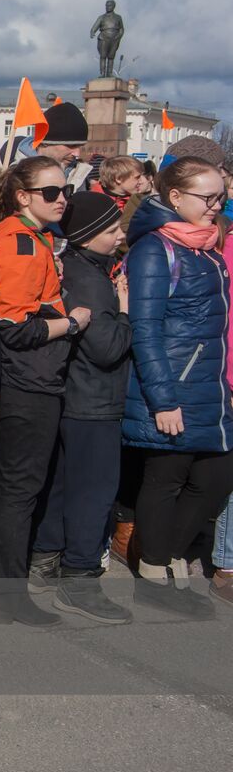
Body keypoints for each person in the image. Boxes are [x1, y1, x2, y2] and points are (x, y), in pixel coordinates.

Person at [0, 156, 90, 626]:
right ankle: (8, 593)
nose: (62, 200)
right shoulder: (19, 242)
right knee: (19, 489)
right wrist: (71, 322)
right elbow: (14, 325)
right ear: (22, 196)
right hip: (27, 378)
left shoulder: (14, 235)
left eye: (64, 191)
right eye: (51, 192)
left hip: (12, 377)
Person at [122, 157, 232, 617]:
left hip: (208, 383)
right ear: (175, 198)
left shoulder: (203, 245)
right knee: (167, 477)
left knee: (214, 478)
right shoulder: (155, 248)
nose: (216, 206)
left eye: (220, 197)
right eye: (207, 198)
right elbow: (145, 328)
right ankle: (153, 572)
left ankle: (165, 557)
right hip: (174, 384)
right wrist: (163, 399)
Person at [27, 191, 133, 623]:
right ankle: (80, 578)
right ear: (89, 237)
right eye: (111, 230)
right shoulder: (90, 279)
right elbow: (107, 347)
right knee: (94, 492)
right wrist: (125, 312)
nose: (121, 235)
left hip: (74, 395)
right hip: (94, 400)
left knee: (63, 483)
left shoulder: (77, 267)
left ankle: (46, 559)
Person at [0, 101, 92, 189]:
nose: (77, 154)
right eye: (71, 146)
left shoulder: (79, 174)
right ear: (46, 143)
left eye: (80, 146)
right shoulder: (13, 178)